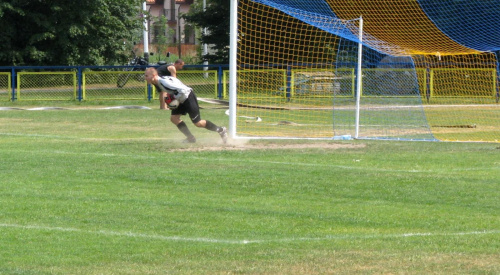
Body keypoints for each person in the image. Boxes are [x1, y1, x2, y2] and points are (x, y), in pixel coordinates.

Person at [144, 67, 228, 144]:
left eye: (147, 75)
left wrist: (174, 98)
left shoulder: (163, 82)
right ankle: (190, 138)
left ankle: (221, 130)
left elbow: (183, 90)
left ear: (154, 75)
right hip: (181, 98)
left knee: (198, 123)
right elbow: (176, 81)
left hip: (188, 97)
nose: (145, 77)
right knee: (174, 118)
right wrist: (174, 98)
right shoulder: (160, 81)